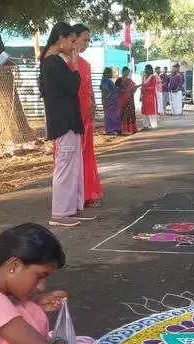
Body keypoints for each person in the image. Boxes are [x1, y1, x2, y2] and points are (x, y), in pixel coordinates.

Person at [39, 22, 94, 227]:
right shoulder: (52, 62)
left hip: (69, 120)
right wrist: (75, 64)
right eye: (72, 41)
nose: (74, 46)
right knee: (65, 166)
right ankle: (60, 212)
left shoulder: (53, 62)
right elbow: (73, 85)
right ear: (61, 39)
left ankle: (70, 209)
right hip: (63, 121)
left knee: (74, 167)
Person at [71, 24, 103, 207]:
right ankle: (72, 196)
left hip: (87, 114)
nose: (88, 43)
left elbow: (89, 88)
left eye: (89, 40)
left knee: (86, 154)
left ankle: (87, 193)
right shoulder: (63, 62)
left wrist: (93, 102)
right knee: (72, 155)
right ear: (73, 38)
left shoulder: (85, 64)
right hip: (71, 115)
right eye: (85, 39)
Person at [116, 66, 140, 134]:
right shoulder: (119, 80)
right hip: (122, 99)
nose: (127, 73)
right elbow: (116, 89)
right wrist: (123, 91)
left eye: (128, 72)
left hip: (130, 100)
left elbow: (134, 87)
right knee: (122, 113)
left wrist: (136, 87)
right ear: (122, 71)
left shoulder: (130, 80)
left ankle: (131, 129)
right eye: (126, 71)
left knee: (130, 113)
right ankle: (123, 129)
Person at [100, 67, 121, 135]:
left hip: (105, 100)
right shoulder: (109, 82)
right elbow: (114, 90)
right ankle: (114, 129)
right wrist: (118, 88)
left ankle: (108, 129)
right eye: (111, 73)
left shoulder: (102, 81)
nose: (112, 74)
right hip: (112, 102)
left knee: (107, 115)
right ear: (108, 73)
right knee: (114, 115)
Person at [141, 65, 159, 129]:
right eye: (145, 69)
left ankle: (154, 125)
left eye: (147, 69)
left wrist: (145, 88)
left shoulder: (153, 77)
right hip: (144, 96)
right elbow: (142, 86)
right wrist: (141, 95)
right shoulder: (143, 77)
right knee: (144, 111)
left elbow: (153, 87)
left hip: (151, 96)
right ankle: (145, 125)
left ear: (150, 70)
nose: (145, 70)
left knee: (151, 111)